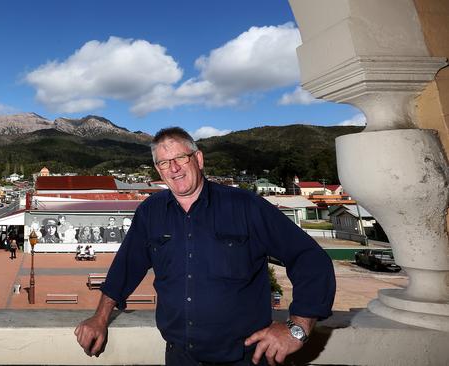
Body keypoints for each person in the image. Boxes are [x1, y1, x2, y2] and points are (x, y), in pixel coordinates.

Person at [74, 127, 335, 366]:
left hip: (245, 357)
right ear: (158, 170)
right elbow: (126, 267)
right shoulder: (150, 213)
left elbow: (309, 257)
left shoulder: (245, 206)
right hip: (180, 357)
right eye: (164, 163)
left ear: (198, 159)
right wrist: (100, 317)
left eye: (180, 158)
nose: (173, 168)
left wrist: (298, 326)